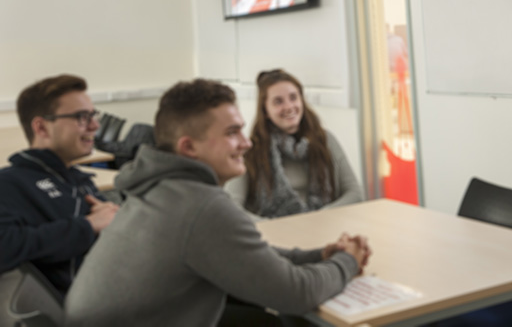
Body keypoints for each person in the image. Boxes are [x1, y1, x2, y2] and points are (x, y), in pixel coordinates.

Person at [65, 78, 371, 327]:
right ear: (189, 147)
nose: (246, 143)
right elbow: (297, 293)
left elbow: (247, 255)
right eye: (231, 133)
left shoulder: (159, 188)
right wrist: (348, 261)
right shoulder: (201, 205)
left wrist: (319, 255)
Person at [0, 74, 119, 294]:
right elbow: (5, 246)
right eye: (82, 117)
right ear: (42, 128)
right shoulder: (10, 184)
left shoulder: (76, 178)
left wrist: (113, 216)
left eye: (93, 115)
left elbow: (111, 224)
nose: (95, 125)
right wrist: (88, 226)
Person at [226, 69, 363, 219]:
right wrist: (268, 226)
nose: (289, 106)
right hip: (273, 236)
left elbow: (354, 193)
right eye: (278, 102)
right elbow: (231, 206)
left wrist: (319, 218)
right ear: (265, 110)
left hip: (325, 228)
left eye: (293, 98)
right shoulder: (251, 149)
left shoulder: (325, 140)